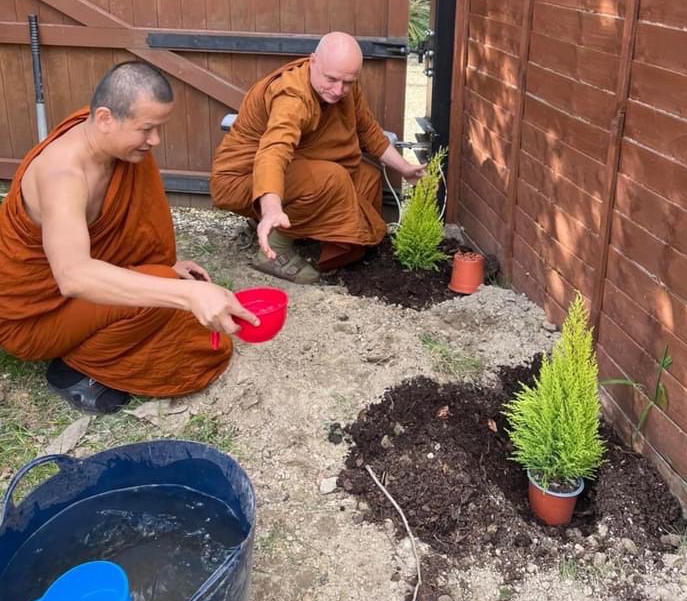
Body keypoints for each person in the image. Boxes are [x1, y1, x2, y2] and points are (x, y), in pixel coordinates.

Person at [0, 62, 258, 414]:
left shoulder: (115, 147)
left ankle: (112, 335)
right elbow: (73, 276)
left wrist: (166, 269)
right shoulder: (63, 176)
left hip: (75, 292)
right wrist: (187, 294)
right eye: (147, 129)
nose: (155, 141)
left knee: (178, 304)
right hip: (34, 318)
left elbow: (124, 232)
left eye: (159, 128)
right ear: (105, 118)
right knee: (174, 304)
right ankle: (74, 368)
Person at [210, 32, 425, 283]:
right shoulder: (292, 97)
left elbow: (368, 131)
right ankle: (274, 248)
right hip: (243, 179)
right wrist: (271, 209)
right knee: (331, 179)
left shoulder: (344, 87)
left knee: (366, 177)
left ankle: (327, 238)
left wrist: (405, 168)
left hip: (289, 169)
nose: (338, 90)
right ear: (312, 62)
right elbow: (273, 151)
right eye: (331, 79)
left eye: (348, 82)